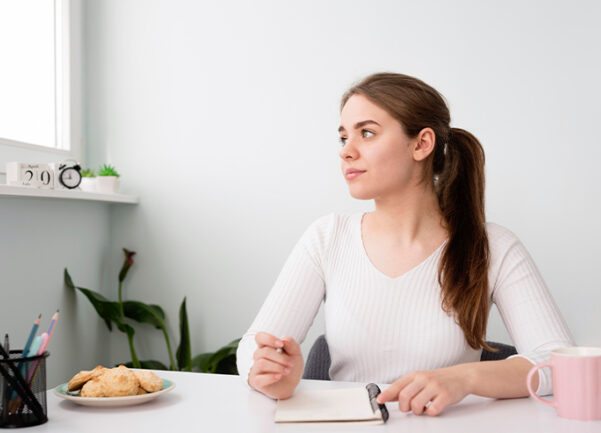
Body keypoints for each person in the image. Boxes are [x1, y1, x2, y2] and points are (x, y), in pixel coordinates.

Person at [235, 72, 574, 416]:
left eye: (366, 133)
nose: (347, 152)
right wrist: (268, 373)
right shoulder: (327, 238)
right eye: (343, 138)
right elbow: (252, 344)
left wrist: (464, 378)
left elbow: (560, 364)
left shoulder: (493, 246)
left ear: (421, 144)